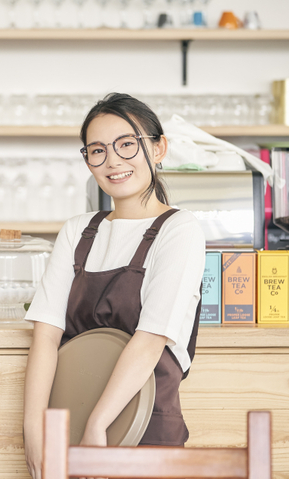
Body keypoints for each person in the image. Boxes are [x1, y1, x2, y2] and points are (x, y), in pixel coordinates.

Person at [23, 93, 205, 479]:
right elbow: (45, 336)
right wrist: (35, 430)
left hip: (147, 428)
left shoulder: (180, 229)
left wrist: (98, 425)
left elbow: (151, 339)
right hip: (71, 421)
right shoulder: (78, 231)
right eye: (97, 151)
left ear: (158, 148)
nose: (113, 161)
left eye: (127, 145)